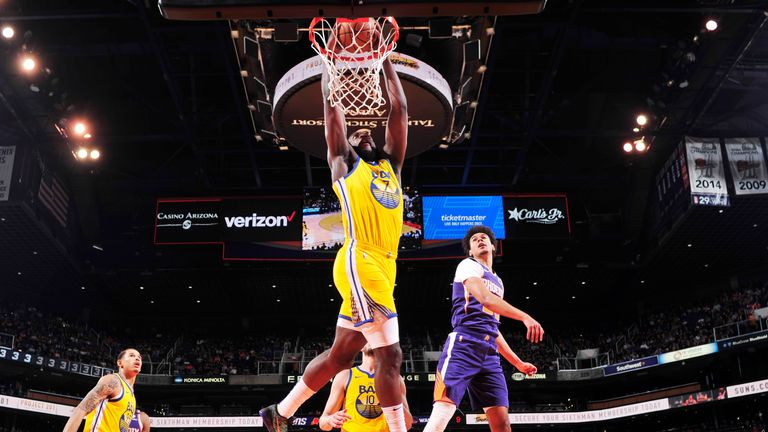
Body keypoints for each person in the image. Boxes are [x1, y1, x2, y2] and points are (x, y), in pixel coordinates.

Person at [260, 53, 409, 432]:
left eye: (368, 132)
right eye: (356, 134)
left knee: (342, 355)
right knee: (390, 356)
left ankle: (281, 413)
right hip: (362, 260)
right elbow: (332, 112)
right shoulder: (345, 165)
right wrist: (331, 67)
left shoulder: (391, 168)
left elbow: (401, 109)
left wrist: (384, 59)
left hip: (383, 265)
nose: (364, 133)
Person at [423, 226, 543, 432]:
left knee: (502, 423)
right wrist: (525, 316)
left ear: (493, 247)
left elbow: (493, 327)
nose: (480, 240)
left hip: (489, 354)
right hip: (464, 344)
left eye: (484, 238)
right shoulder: (467, 265)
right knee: (444, 410)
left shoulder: (498, 281)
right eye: (474, 239)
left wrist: (517, 362)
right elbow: (485, 299)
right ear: (469, 251)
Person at [319, 345, 413, 432]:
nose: (371, 339)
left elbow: (408, 424)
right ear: (360, 346)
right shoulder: (345, 376)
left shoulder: (395, 378)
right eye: (367, 336)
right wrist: (330, 420)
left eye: (374, 336)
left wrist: (392, 399)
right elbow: (323, 423)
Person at [63, 348, 142, 432]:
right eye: (131, 355)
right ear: (120, 363)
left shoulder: (132, 396)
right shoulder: (113, 381)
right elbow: (81, 409)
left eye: (139, 357)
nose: (137, 358)